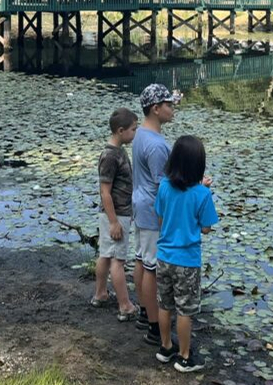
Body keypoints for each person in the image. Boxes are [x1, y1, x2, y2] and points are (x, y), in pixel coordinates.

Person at [153, 135, 218, 373]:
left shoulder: (164, 187)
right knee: (185, 310)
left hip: (163, 257)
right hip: (187, 262)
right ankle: (184, 356)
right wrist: (203, 190)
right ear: (198, 166)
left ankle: (166, 347)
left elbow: (161, 218)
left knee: (165, 304)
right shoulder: (202, 194)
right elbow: (206, 227)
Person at [131, 83, 179, 346]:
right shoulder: (158, 145)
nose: (173, 109)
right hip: (152, 211)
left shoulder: (139, 134)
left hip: (140, 204)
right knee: (151, 267)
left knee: (141, 259)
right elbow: (163, 186)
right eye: (169, 104)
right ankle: (153, 325)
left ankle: (143, 311)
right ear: (156, 108)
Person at [91, 108, 140, 321]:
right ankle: (125, 305)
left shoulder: (118, 151)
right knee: (118, 260)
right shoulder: (110, 156)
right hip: (116, 214)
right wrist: (114, 222)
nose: (135, 133)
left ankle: (100, 294)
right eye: (133, 129)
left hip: (115, 214)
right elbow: (105, 192)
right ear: (120, 131)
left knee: (105, 254)